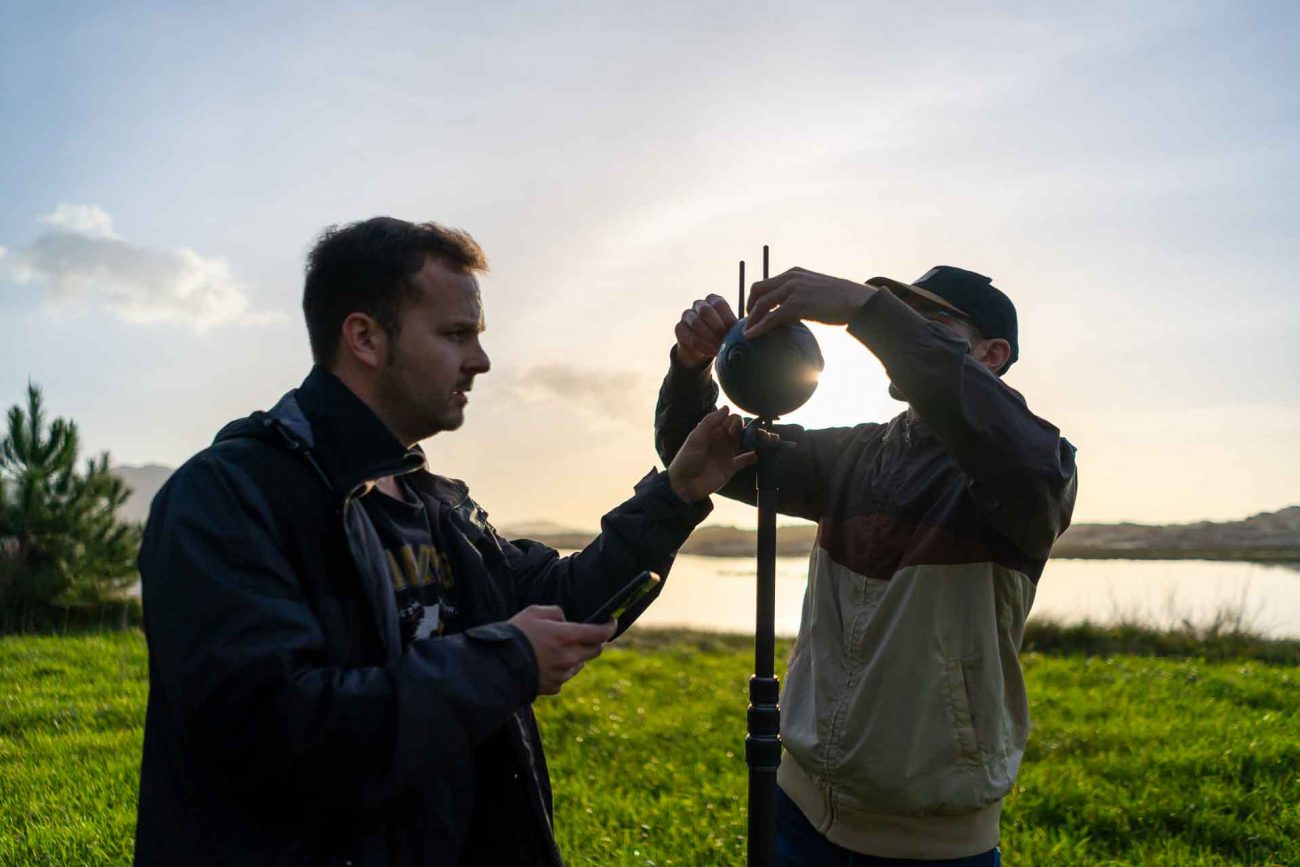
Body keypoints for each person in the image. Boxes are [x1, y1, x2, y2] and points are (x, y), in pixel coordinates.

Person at [134, 217, 755, 866]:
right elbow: (276, 734)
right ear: (365, 337)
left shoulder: (437, 504)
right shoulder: (225, 499)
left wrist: (677, 493)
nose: (482, 361)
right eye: (457, 334)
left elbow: (562, 601)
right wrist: (505, 661)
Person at [655, 265, 1078, 865]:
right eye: (896, 315)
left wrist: (867, 311)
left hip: (934, 845)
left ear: (992, 353)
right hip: (795, 809)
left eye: (925, 321)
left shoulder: (1033, 468)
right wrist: (691, 365)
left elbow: (1015, 451)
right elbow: (691, 452)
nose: (898, 332)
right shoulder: (851, 456)